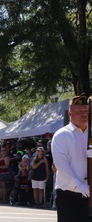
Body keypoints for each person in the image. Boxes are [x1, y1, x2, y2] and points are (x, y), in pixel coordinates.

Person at [51, 94, 90, 222]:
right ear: (70, 113)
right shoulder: (62, 135)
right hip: (69, 196)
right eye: (79, 111)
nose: (84, 114)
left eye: (86, 111)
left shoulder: (90, 133)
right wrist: (79, 186)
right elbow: (61, 165)